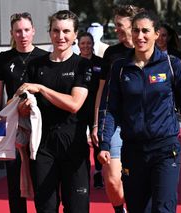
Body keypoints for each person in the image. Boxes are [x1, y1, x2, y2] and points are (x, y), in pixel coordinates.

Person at [98, 10, 181, 212]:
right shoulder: (120, 68)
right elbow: (109, 108)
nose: (140, 36)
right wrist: (104, 142)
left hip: (165, 150)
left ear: (157, 34)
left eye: (145, 31)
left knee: (163, 208)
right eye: (135, 31)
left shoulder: (171, 64)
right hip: (133, 151)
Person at [16, 10, 92, 213]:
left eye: (66, 31)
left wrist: (41, 88)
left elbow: (74, 104)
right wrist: (22, 108)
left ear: (76, 35)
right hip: (43, 147)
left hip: (74, 147)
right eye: (56, 31)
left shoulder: (83, 65)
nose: (61, 36)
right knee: (45, 208)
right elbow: (21, 106)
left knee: (77, 209)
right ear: (49, 33)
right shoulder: (35, 66)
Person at [0, 12, 47, 213]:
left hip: (39, 129)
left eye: (27, 30)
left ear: (33, 31)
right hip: (13, 128)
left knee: (42, 181)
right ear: (12, 33)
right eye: (18, 31)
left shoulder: (44, 58)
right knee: (14, 182)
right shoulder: (3, 59)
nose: (23, 35)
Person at [91, 5, 144, 213]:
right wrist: (97, 123)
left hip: (142, 124)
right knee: (112, 179)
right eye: (116, 26)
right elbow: (101, 91)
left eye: (120, 26)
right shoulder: (112, 53)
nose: (116, 30)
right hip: (114, 123)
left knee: (140, 179)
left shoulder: (147, 50)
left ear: (133, 25)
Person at [78, 32, 104, 189]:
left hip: (96, 109)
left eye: (88, 43)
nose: (86, 46)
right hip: (79, 110)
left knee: (97, 143)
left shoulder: (100, 63)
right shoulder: (74, 63)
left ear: (93, 44)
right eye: (83, 43)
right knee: (80, 144)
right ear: (78, 45)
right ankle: (83, 173)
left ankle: (98, 173)